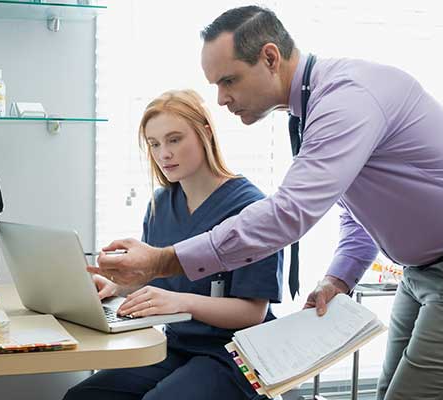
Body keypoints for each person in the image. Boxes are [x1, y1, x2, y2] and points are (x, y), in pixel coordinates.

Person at [92, 6, 443, 400]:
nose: (220, 99)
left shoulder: (346, 99)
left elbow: (288, 214)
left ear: (270, 57)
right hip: (422, 274)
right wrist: (340, 278)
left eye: (229, 80)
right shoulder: (308, 114)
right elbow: (357, 206)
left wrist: (164, 259)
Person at [65, 89, 283, 400]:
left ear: (205, 133)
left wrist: (183, 303)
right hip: (178, 345)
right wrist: (117, 287)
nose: (163, 153)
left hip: (238, 354)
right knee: (84, 396)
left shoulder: (251, 210)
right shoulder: (161, 204)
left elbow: (253, 312)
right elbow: (160, 278)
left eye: (174, 139)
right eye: (154, 144)